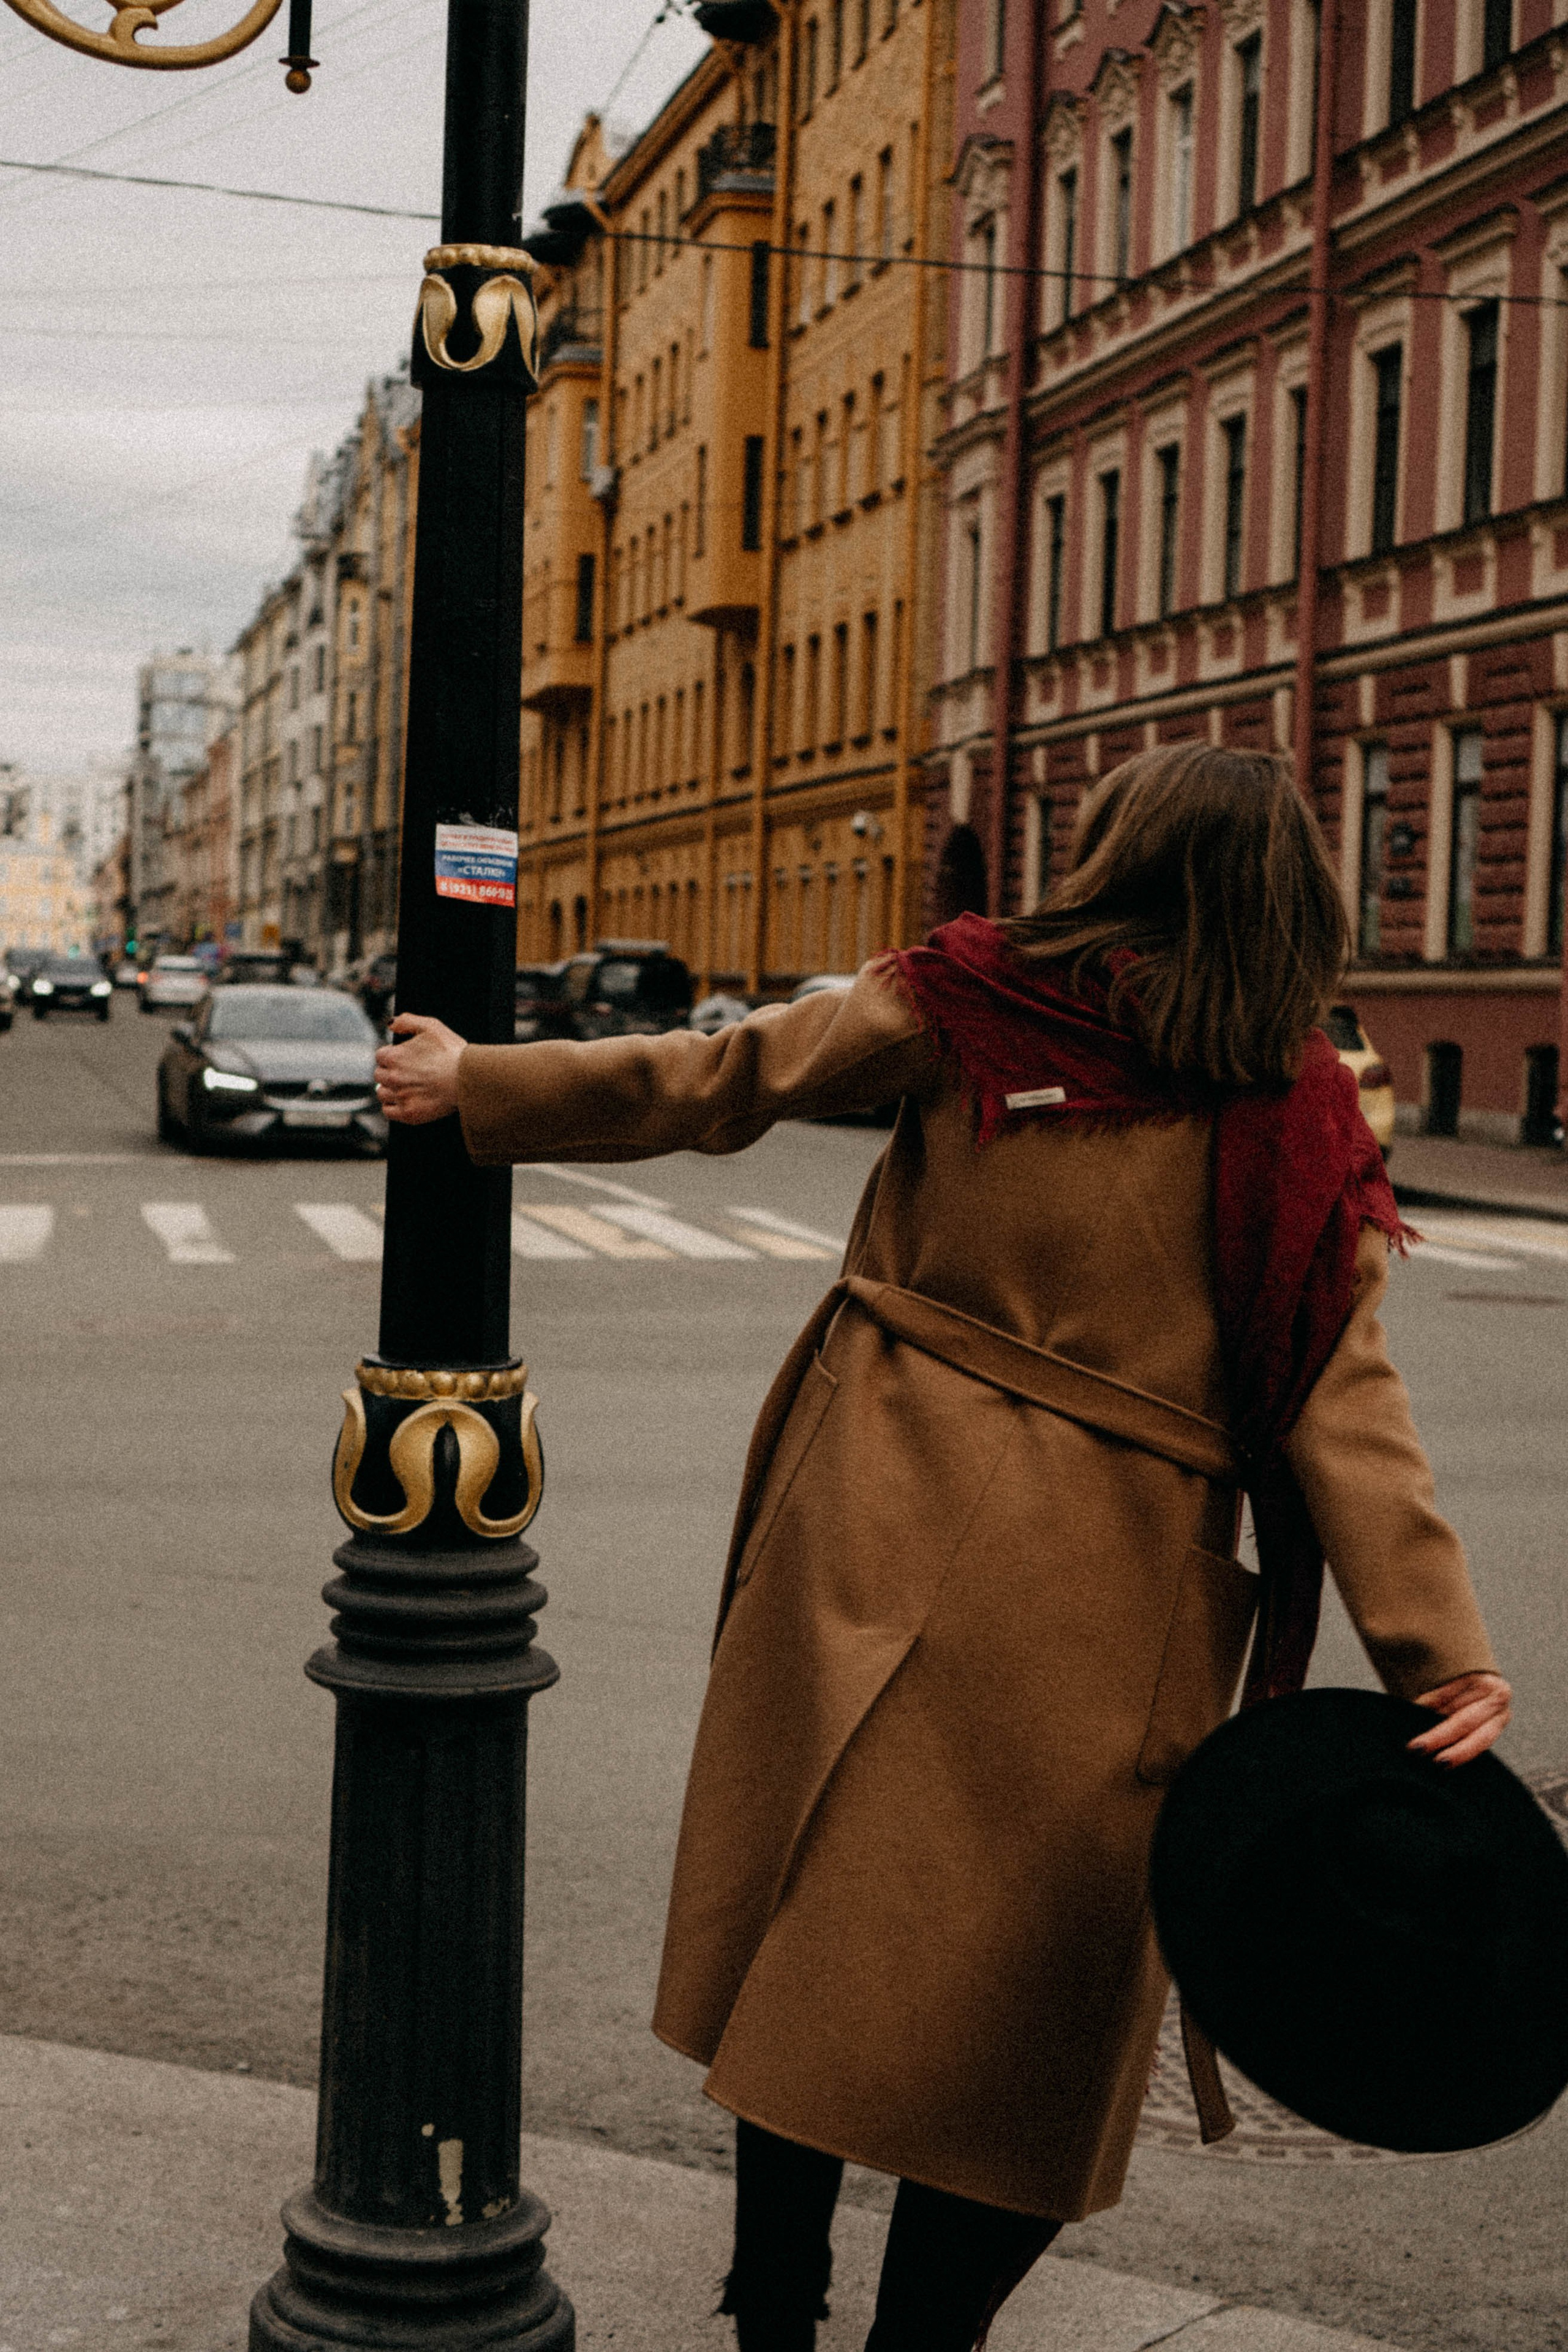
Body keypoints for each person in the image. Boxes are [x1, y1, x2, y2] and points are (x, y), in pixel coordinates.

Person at [374, 747, 1510, 2352]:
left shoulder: (976, 997)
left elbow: (727, 1080)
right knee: (1037, 2019)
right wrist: (1439, 1654)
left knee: (821, 1947)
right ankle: (925, 2342)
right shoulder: (1302, 1113)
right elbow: (1348, 1407)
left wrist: (476, 1085)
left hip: (877, 1512)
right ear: (1294, 910)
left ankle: (777, 2304)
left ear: (1115, 855)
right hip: (1120, 1609)